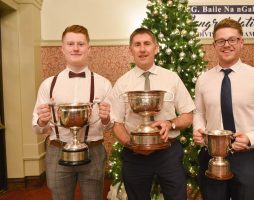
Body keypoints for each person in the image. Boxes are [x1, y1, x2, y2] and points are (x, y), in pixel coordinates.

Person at [193, 18, 254, 200]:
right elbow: (199, 112)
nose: (226, 45)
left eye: (232, 40)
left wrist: (251, 138)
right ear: (214, 45)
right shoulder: (203, 79)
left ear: (241, 42)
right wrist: (198, 129)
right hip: (211, 156)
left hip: (246, 157)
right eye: (221, 41)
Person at [109, 27, 195, 200]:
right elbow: (116, 122)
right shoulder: (122, 83)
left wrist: (170, 123)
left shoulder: (172, 78)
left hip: (168, 152)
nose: (142, 49)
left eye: (147, 44)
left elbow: (188, 115)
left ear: (156, 48)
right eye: (137, 44)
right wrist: (130, 143)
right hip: (134, 156)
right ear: (130, 50)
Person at [32, 25, 112, 200]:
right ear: (62, 48)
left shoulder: (104, 84)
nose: (75, 48)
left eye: (80, 44)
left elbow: (108, 127)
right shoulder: (48, 84)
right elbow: (36, 127)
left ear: (89, 48)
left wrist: (106, 119)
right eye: (70, 43)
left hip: (93, 150)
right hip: (57, 150)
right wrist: (42, 121)